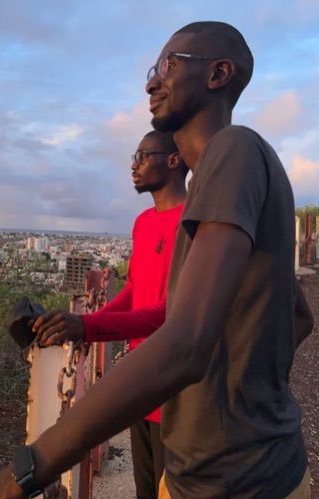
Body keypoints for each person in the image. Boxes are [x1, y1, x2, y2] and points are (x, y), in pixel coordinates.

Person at [0, 21, 315, 498]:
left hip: (234, 481)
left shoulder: (234, 149)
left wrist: (18, 475)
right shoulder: (232, 176)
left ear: (218, 74)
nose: (151, 81)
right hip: (222, 468)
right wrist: (242, 390)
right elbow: (297, 314)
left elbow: (183, 341)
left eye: (169, 65)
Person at [31, 129, 186, 499]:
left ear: (174, 160)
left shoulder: (192, 222)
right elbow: (134, 292)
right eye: (134, 156)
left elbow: (170, 313)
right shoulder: (144, 224)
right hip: (140, 384)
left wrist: (87, 325)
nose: (133, 165)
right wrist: (84, 330)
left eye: (143, 156)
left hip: (176, 386)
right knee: (145, 490)